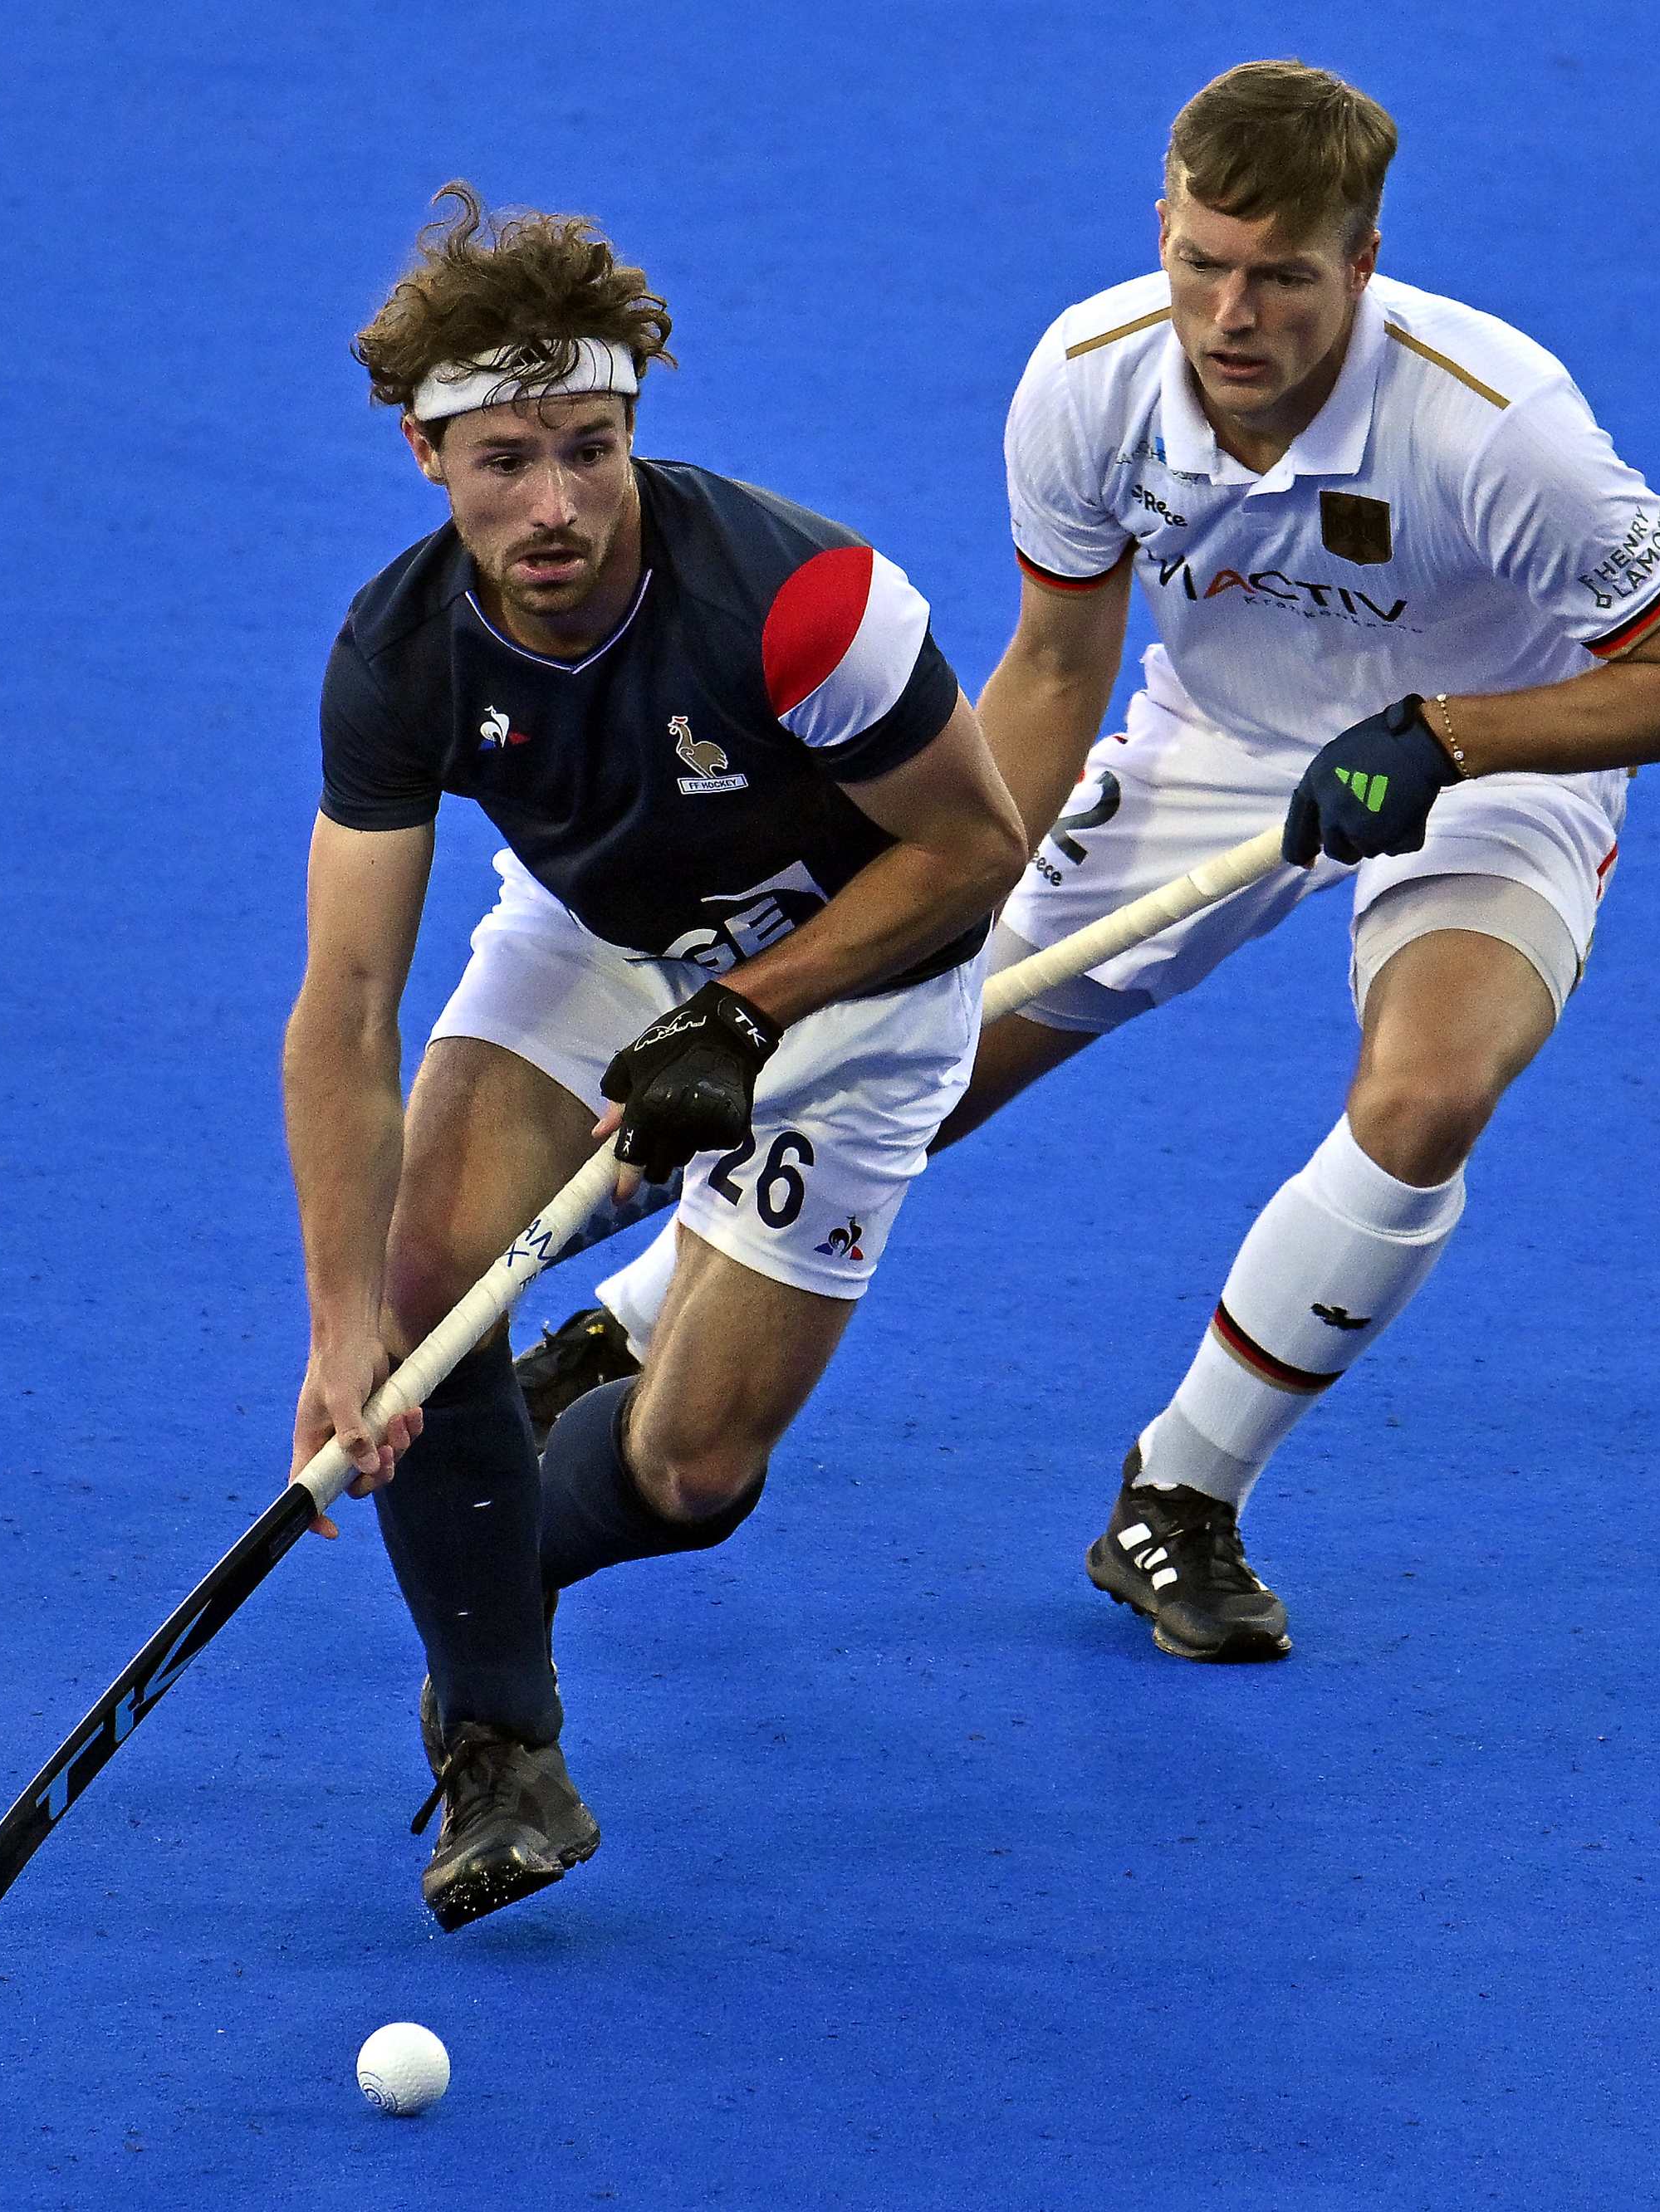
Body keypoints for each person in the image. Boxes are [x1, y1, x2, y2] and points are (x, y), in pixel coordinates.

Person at [521, 58, 1660, 1662]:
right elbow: (1055, 671)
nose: (1232, 314)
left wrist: (1451, 738)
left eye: (1283, 277)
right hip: (1211, 752)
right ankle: (629, 1331)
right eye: (1202, 262)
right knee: (930, 1053)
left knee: (1427, 1096)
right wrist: (949, 888)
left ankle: (1178, 1494)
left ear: (1367, 262)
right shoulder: (1087, 381)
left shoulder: (1501, 435)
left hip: (1496, 746)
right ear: (1164, 228)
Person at [289, 184, 1022, 1929]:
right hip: (597, 942)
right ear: (425, 455)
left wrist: (755, 1011)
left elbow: (973, 854)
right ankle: (499, 1745)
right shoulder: (398, 658)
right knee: (421, 1278)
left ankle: (493, 1538)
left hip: (862, 987)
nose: (554, 506)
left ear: (633, 437)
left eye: (590, 451)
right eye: (505, 461)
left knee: (694, 1476)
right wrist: (340, 1331)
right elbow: (345, 1003)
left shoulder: (804, 602)